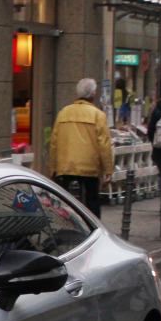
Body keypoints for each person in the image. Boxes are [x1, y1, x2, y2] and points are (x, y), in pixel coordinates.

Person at [49, 78, 114, 218]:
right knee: (92, 199)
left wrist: (54, 167)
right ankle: (95, 229)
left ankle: (63, 223)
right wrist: (108, 170)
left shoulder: (64, 112)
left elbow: (54, 141)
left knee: (64, 200)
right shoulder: (98, 115)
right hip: (89, 166)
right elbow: (104, 144)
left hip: (65, 165)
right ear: (93, 94)